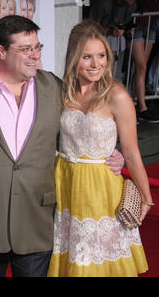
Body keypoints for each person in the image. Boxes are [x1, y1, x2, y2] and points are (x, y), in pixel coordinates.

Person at [0, 15, 124, 277]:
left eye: (37, 47)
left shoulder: (54, 88)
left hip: (37, 220)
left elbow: (80, 128)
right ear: (1, 51)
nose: (35, 55)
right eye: (26, 49)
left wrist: (113, 151)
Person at [48, 20, 152, 277]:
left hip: (100, 187)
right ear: (74, 57)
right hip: (66, 180)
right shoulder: (63, 92)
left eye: (101, 56)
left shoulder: (116, 95)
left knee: (97, 260)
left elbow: (131, 151)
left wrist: (146, 197)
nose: (96, 64)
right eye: (87, 57)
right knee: (72, 255)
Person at [89, 0, 140, 84]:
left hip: (113, 42)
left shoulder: (131, 5)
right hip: (94, 41)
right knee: (99, 77)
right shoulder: (104, 1)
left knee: (115, 76)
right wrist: (110, 31)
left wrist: (125, 30)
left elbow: (123, 25)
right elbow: (90, 28)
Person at [131, 0, 159, 122]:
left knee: (142, 67)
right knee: (141, 66)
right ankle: (142, 107)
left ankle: (136, 104)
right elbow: (136, 0)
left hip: (151, 24)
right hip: (138, 24)